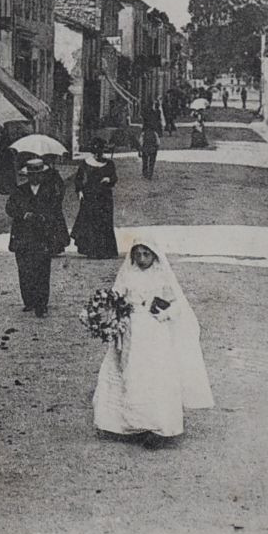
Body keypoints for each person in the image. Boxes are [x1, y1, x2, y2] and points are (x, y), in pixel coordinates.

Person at [92, 240, 214, 447]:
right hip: (130, 331)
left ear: (154, 255)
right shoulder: (127, 275)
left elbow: (177, 306)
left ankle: (157, 426)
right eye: (137, 254)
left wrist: (163, 313)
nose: (141, 259)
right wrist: (111, 317)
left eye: (145, 254)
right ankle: (130, 425)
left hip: (155, 332)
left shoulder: (162, 276)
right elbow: (115, 299)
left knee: (155, 375)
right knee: (130, 372)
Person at [5, 159, 53, 316]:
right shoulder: (19, 191)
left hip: (42, 235)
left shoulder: (49, 190)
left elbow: (55, 211)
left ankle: (42, 303)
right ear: (28, 175)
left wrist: (43, 218)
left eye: (38, 174)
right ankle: (28, 301)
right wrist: (23, 214)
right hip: (23, 235)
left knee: (42, 270)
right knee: (25, 269)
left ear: (42, 175)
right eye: (32, 175)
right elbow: (10, 208)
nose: (35, 178)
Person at [71, 139, 120, 260]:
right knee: (91, 222)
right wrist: (80, 191)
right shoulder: (86, 163)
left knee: (104, 222)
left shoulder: (109, 164)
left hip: (105, 197)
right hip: (90, 196)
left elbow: (114, 177)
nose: (99, 154)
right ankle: (91, 250)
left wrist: (109, 179)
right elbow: (78, 179)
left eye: (101, 151)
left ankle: (105, 250)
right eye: (97, 152)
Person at [37, 158, 71, 255]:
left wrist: (59, 197)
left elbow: (61, 186)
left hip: (52, 201)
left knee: (54, 224)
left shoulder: (53, 173)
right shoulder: (45, 173)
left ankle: (54, 247)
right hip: (44, 201)